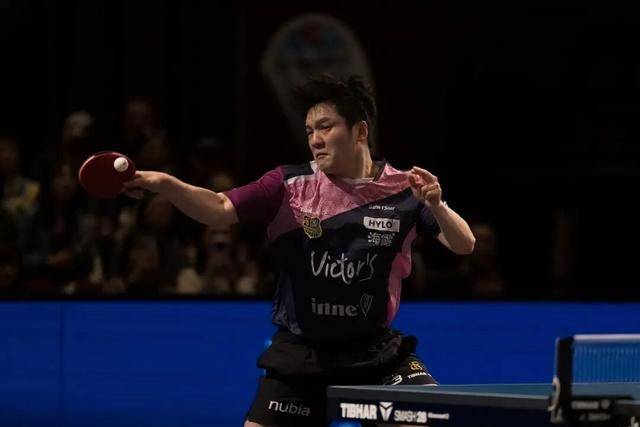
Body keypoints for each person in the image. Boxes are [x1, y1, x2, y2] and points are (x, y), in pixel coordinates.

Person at [122, 74, 476, 426]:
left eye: (325, 127)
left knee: (429, 418)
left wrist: (437, 205)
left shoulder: (405, 189)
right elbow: (218, 208)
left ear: (360, 132)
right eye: (309, 131)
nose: (315, 140)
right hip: (303, 356)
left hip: (376, 354)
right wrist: (163, 183)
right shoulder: (288, 185)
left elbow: (464, 244)